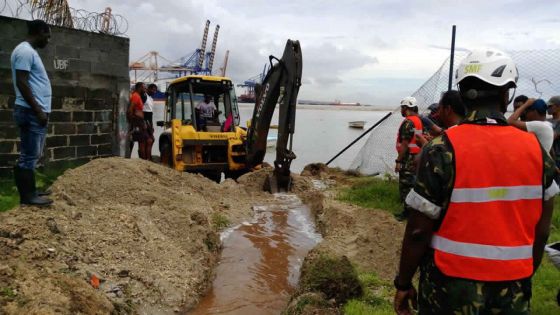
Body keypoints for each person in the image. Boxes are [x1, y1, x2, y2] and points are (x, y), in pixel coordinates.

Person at [394, 48, 558, 315]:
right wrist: (523, 274)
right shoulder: (535, 150)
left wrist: (403, 283)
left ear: (462, 94)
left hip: (449, 289)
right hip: (512, 288)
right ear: (507, 94)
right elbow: (542, 229)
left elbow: (418, 231)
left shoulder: (443, 149)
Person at [11, 20, 53, 206]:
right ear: (39, 32)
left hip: (33, 111)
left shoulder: (29, 52)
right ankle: (28, 197)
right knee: (29, 155)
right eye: (47, 35)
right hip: (31, 112)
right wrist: (38, 110)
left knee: (32, 154)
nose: (48, 40)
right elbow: (22, 82)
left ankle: (31, 191)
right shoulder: (25, 51)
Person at [395, 96, 424, 221]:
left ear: (406, 108)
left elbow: (405, 144)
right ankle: (411, 212)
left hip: (407, 159)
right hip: (416, 157)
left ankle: (407, 213)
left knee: (406, 186)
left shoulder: (408, 122)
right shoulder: (418, 120)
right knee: (413, 185)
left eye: (402, 108)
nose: (401, 110)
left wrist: (398, 161)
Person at [128, 82, 152, 160]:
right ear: (139, 88)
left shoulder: (138, 96)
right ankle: (144, 161)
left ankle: (145, 160)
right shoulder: (135, 96)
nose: (145, 89)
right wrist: (134, 122)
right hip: (137, 122)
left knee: (147, 140)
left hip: (140, 121)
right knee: (142, 141)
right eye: (144, 88)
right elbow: (130, 110)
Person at [547, 95, 560, 182]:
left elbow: (552, 137)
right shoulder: (547, 121)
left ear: (558, 106)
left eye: (550, 106)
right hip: (550, 157)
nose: (548, 108)